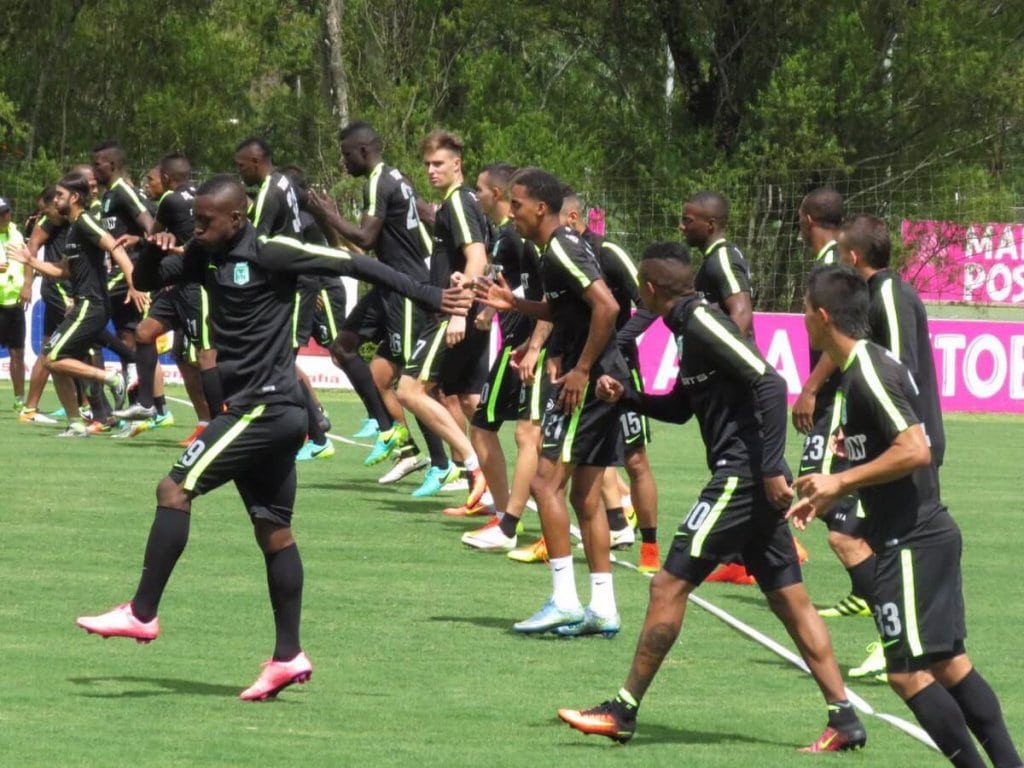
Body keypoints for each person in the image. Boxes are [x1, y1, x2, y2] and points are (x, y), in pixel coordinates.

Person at [73, 174, 472, 700]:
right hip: (268, 412)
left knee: (173, 490)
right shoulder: (204, 252)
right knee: (275, 534)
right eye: (195, 221)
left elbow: (355, 263)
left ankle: (142, 613)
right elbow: (152, 279)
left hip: (265, 406)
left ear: (236, 218)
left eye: (207, 220)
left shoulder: (273, 251)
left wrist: (432, 295)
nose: (198, 228)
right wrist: (151, 247)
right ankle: (288, 656)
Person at [558, 242, 865, 752]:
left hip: (741, 478)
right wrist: (627, 396)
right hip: (750, 480)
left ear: (651, 290)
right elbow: (682, 406)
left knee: (667, 586)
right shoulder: (686, 326)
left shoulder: (701, 322)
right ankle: (845, 717)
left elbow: (770, 382)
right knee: (790, 600)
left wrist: (768, 469)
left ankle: (623, 710)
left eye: (639, 288)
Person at [791, 264, 1021, 768]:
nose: (801, 318)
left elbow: (914, 450)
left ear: (824, 316)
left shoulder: (869, 371)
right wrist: (831, 496)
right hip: (914, 535)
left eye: (805, 309)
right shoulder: (859, 369)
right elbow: (882, 455)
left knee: (907, 674)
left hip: (913, 540)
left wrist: (840, 480)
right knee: (950, 665)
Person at [476, 167, 627, 637]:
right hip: (602, 378)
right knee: (584, 496)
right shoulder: (555, 250)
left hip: (591, 380)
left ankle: (564, 600)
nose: (512, 212)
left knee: (545, 484)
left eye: (517, 204)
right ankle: (602, 607)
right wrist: (515, 305)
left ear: (541, 208)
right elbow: (566, 310)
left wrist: (581, 369)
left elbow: (608, 307)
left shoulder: (560, 246)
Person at [834, 213, 949, 680]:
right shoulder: (884, 294)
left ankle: (897, 642)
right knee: (864, 538)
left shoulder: (889, 295)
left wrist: (895, 437)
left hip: (909, 444)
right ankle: (903, 640)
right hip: (900, 440)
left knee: (853, 536)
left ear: (854, 256)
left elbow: (899, 371)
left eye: (842, 252)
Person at [307, 121, 439, 480]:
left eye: (346, 154)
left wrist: (329, 215)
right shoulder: (397, 177)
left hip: (407, 289)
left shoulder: (380, 180)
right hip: (387, 285)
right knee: (344, 348)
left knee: (413, 384)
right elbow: (428, 216)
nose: (343, 161)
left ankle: (443, 466)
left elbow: (366, 238)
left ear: (363, 151)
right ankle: (397, 440)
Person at [563, 187, 660, 572]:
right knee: (582, 455)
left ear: (572, 219)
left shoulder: (606, 252)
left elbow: (649, 305)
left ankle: (650, 547)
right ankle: (616, 524)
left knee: (634, 459)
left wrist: (613, 343)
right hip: (581, 371)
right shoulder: (562, 256)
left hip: (621, 371)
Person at [7, 173, 146, 436]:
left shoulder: (85, 223)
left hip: (90, 305)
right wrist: (31, 261)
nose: (55, 199)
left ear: (74, 198)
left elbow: (116, 249)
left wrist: (134, 283)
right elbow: (64, 271)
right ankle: (75, 422)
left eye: (59, 195)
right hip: (81, 304)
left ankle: (112, 379)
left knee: (52, 357)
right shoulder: (72, 229)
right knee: (53, 360)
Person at [394, 129, 489, 502]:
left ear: (457, 164)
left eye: (438, 164)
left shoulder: (459, 204)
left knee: (408, 388)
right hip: (470, 311)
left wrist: (460, 312)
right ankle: (491, 497)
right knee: (469, 402)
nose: (431, 171)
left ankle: (470, 464)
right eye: (427, 165)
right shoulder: (465, 202)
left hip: (456, 313)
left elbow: (477, 256)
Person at [789, 189, 870, 618]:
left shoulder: (833, 265)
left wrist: (811, 388)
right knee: (815, 483)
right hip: (832, 391)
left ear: (806, 220)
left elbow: (841, 335)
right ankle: (863, 576)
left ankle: (866, 558)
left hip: (835, 392)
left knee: (815, 483)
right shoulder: (834, 262)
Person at [458, 162, 548, 544]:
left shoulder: (518, 238)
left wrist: (530, 344)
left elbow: (539, 294)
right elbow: (510, 286)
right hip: (524, 342)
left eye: (479, 189)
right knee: (538, 433)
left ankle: (506, 519)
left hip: (524, 345)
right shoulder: (506, 236)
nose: (475, 196)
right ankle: (618, 510)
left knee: (504, 429)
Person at [114, 153, 206, 436]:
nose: (148, 185)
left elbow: (156, 235)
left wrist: (144, 241)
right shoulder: (201, 196)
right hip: (178, 283)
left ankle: (218, 420)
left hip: (191, 285)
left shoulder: (169, 200)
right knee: (145, 333)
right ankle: (147, 404)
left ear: (166, 179)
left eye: (151, 180)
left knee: (203, 356)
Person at [0, 197, 27, 409]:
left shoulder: (17, 233)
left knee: (17, 352)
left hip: (15, 302)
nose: (3, 217)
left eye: (5, 212)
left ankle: (20, 400)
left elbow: (28, 260)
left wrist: (27, 284)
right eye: (1, 213)